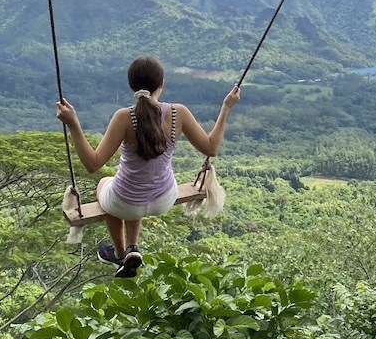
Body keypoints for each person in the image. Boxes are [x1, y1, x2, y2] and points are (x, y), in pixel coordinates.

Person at [56, 55, 241, 278]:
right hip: (163, 199)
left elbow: (93, 164)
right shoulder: (178, 113)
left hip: (125, 202)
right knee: (130, 190)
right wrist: (226, 106)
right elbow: (211, 148)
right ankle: (133, 247)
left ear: (131, 86)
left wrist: (73, 123)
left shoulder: (124, 117)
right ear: (161, 85)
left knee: (106, 183)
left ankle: (119, 252)